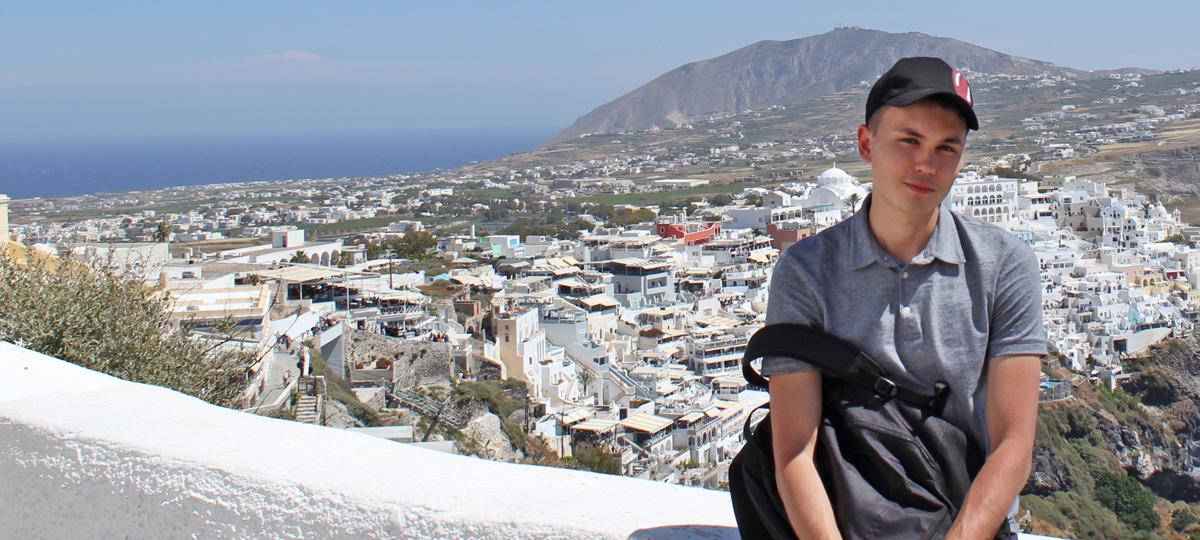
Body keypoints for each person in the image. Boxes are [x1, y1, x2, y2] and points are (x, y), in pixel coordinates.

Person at [763, 57, 1046, 539]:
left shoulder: (1004, 265)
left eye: (946, 148)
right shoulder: (806, 272)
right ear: (866, 143)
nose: (926, 165)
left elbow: (1014, 444)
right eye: (909, 140)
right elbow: (794, 450)